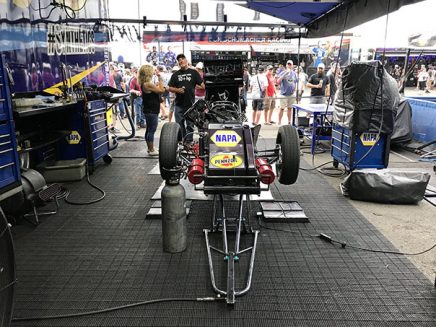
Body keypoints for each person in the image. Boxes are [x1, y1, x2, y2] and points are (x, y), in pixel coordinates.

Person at [168, 54, 204, 145]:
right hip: (179, 104)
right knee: (179, 125)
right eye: (179, 60)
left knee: (190, 125)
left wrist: (193, 85)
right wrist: (177, 90)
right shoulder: (175, 75)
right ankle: (183, 140)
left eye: (182, 59)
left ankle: (189, 141)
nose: (181, 61)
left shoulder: (194, 72)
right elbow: (169, 88)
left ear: (186, 60)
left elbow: (202, 85)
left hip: (190, 104)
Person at [138, 64, 164, 156]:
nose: (154, 71)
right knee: (152, 130)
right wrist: (160, 79)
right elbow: (161, 90)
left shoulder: (144, 83)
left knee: (149, 129)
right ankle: (151, 149)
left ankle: (150, 148)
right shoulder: (148, 84)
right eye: (152, 70)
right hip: (151, 110)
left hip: (149, 109)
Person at [275, 60, 297, 125]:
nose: (289, 66)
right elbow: (278, 81)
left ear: (292, 66)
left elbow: (295, 82)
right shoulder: (283, 72)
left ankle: (289, 121)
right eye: (288, 64)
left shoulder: (294, 73)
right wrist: (285, 74)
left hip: (291, 94)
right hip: (284, 94)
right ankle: (279, 121)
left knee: (290, 108)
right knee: (282, 108)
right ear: (286, 65)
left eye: (290, 64)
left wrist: (294, 90)